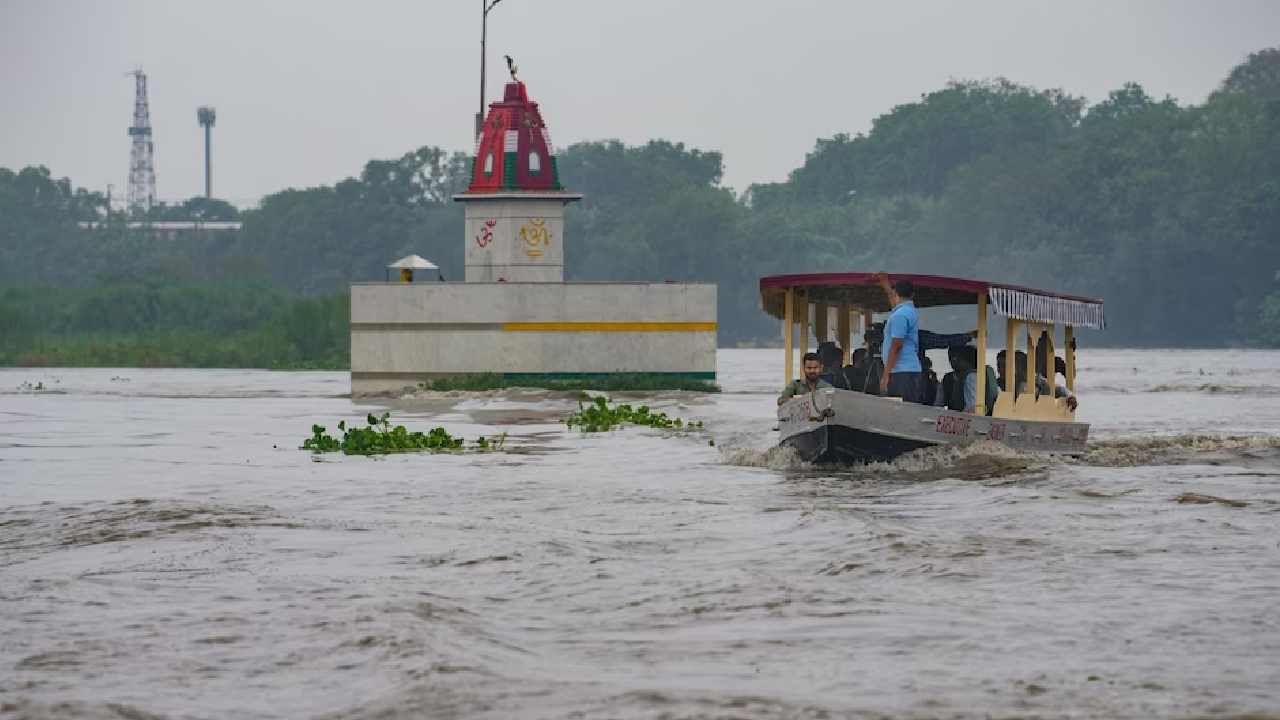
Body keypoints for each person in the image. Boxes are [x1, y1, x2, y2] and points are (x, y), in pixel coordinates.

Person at [875, 273, 922, 402]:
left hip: (902, 373)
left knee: (901, 412)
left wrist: (885, 375)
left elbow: (897, 346)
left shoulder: (900, 315)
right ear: (912, 295)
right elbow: (893, 299)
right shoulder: (906, 310)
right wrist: (885, 283)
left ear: (896, 294)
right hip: (907, 371)